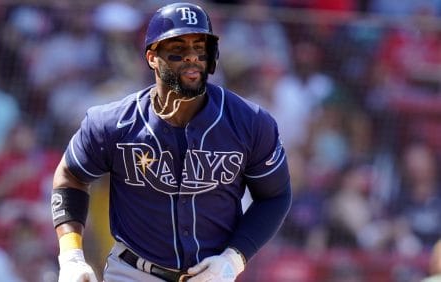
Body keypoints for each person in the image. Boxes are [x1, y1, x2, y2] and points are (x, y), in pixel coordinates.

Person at [51, 3, 292, 282]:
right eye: (178, 47)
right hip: (133, 273)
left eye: (200, 46)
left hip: (211, 274)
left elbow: (275, 195)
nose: (192, 56)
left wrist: (234, 258)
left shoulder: (251, 122)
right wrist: (71, 257)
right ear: (153, 57)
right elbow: (70, 176)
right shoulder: (112, 123)